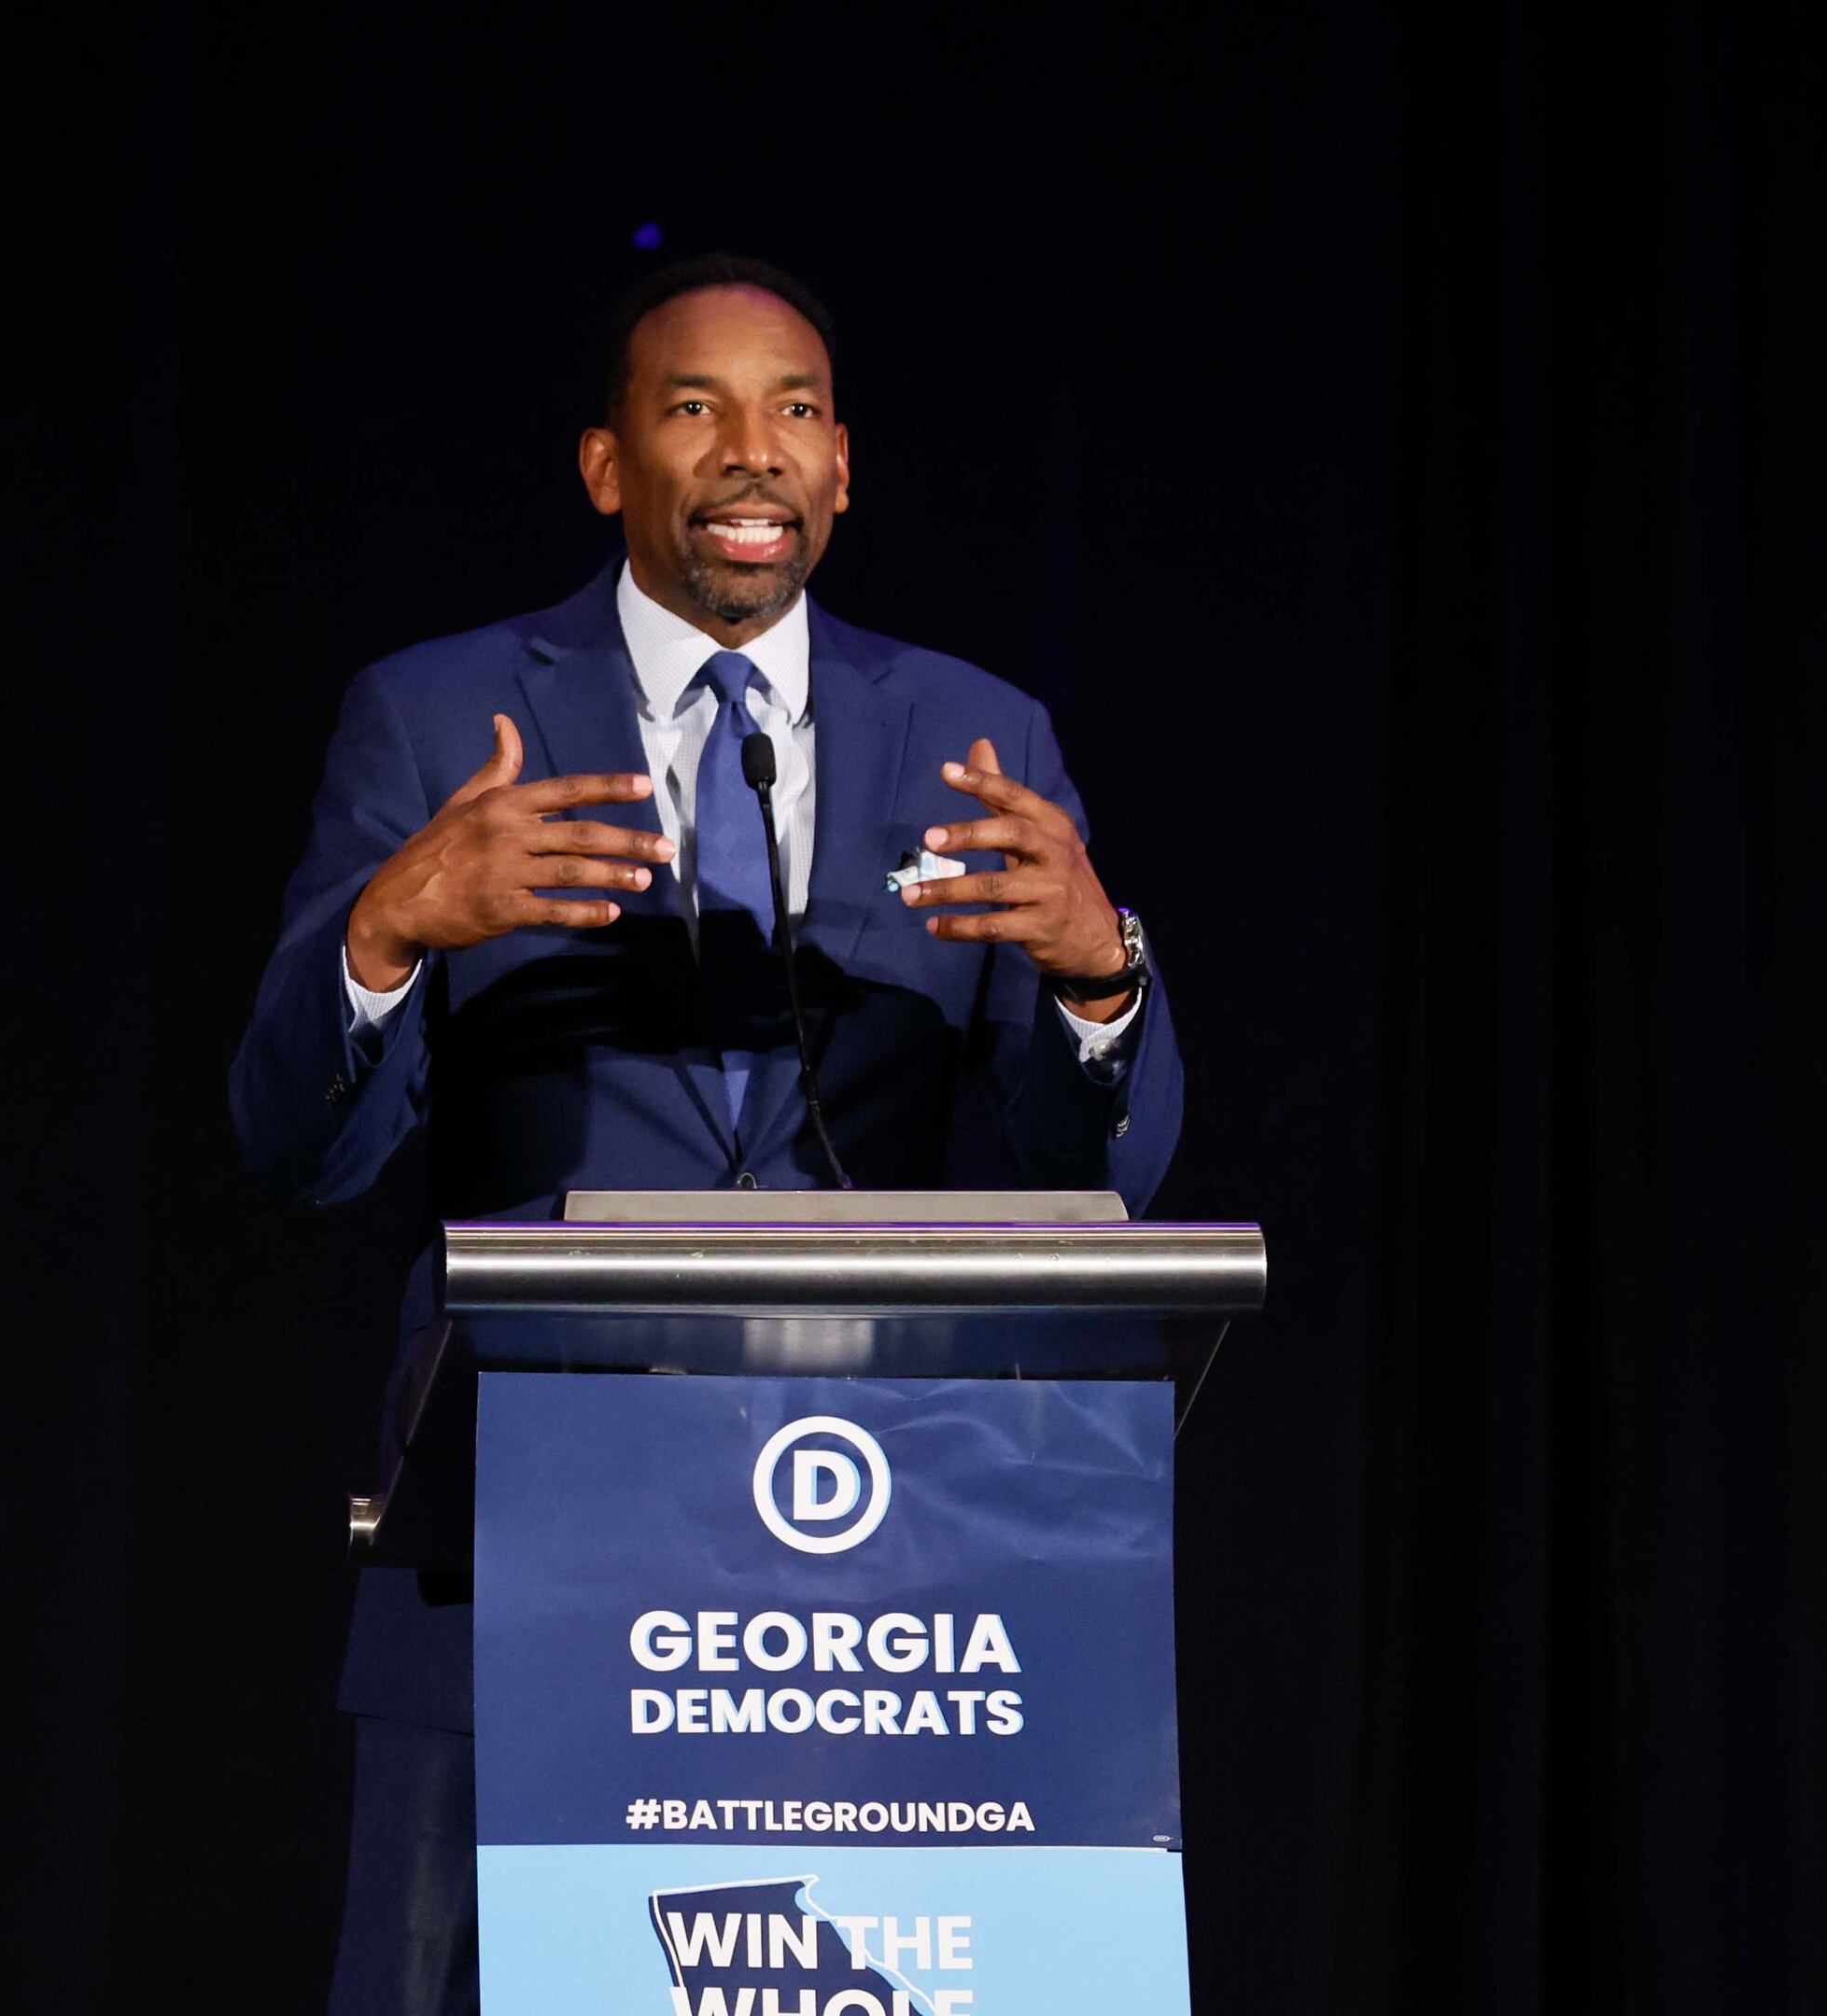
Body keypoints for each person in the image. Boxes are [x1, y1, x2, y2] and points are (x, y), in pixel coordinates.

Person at [227, 254, 1181, 2016]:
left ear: (841, 472)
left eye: (794, 412)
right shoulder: (441, 719)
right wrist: (385, 935)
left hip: (865, 1613)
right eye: (697, 410)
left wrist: (1097, 977)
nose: (753, 452)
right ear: (609, 470)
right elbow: (296, 1147)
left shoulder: (977, 734)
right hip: (511, 1584)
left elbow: (1108, 1177)